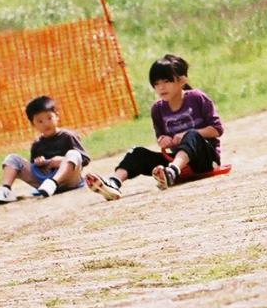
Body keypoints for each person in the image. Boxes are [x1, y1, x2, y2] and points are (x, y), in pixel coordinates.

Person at [85, 55, 223, 200]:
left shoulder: (196, 98)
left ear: (182, 80)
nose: (161, 87)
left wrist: (187, 134)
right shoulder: (157, 109)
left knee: (192, 135)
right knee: (137, 153)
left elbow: (217, 129)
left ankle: (171, 172)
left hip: (205, 161)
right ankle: (113, 183)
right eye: (156, 84)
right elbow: (161, 137)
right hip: (175, 161)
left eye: (166, 81)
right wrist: (164, 140)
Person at [0, 95, 89, 204]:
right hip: (43, 182)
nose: (46, 123)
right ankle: (5, 190)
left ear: (57, 116)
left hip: (70, 180)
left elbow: (84, 159)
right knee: (12, 159)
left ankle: (53, 183)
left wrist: (62, 160)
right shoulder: (37, 144)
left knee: (73, 154)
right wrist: (39, 163)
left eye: (49, 118)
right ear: (33, 124)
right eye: (40, 121)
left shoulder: (68, 136)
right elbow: (34, 168)